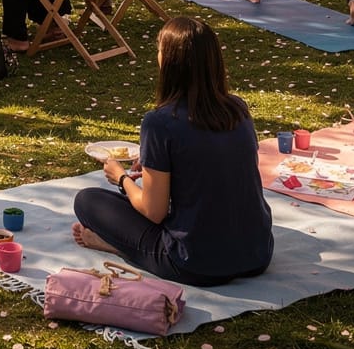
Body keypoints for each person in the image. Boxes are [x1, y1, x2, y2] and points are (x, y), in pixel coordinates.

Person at [72, 17, 273, 285]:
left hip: (196, 262)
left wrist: (120, 177)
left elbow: (153, 211)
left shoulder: (160, 122)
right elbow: (220, 167)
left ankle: (118, 247)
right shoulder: (237, 108)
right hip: (256, 253)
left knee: (87, 201)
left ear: (169, 61)